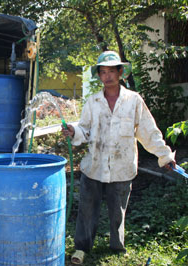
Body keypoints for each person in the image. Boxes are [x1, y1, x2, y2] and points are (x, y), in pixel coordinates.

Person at [62, 51, 176, 265]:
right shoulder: (93, 101)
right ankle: (82, 247)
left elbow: (148, 132)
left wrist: (165, 156)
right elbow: (84, 129)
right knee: (87, 210)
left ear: (121, 72)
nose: (107, 76)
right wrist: (73, 130)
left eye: (112, 71)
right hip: (93, 166)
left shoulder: (133, 101)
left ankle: (117, 246)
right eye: (103, 72)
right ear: (99, 75)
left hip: (122, 167)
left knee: (118, 212)